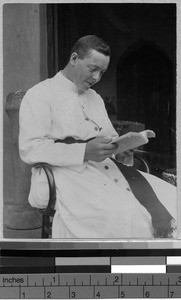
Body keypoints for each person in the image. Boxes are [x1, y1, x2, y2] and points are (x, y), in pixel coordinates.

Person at [19, 35, 177, 239]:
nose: (96, 78)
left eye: (101, 72)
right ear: (74, 59)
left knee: (171, 197)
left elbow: (109, 137)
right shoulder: (39, 94)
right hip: (67, 172)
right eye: (92, 69)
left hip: (106, 169)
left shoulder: (95, 98)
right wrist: (83, 151)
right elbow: (30, 148)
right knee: (127, 213)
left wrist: (121, 150)